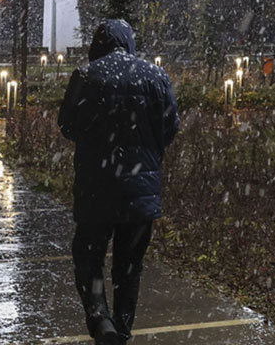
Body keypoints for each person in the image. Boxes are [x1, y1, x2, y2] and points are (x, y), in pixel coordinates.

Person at [59, 19, 179, 344]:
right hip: (141, 190)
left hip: (96, 189)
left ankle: (102, 323)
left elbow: (67, 125)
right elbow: (169, 129)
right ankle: (123, 330)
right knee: (129, 267)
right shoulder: (155, 76)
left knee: (89, 259)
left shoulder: (86, 76)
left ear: (97, 44)